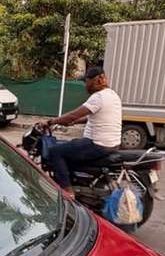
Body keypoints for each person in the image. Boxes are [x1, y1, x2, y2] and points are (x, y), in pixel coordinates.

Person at [43, 66, 123, 196]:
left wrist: (51, 122)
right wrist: (75, 122)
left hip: (97, 144)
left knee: (55, 151)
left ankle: (67, 192)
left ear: (95, 80)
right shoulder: (112, 95)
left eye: (86, 81)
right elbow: (94, 116)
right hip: (111, 144)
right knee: (72, 144)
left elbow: (73, 114)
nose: (85, 85)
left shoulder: (98, 97)